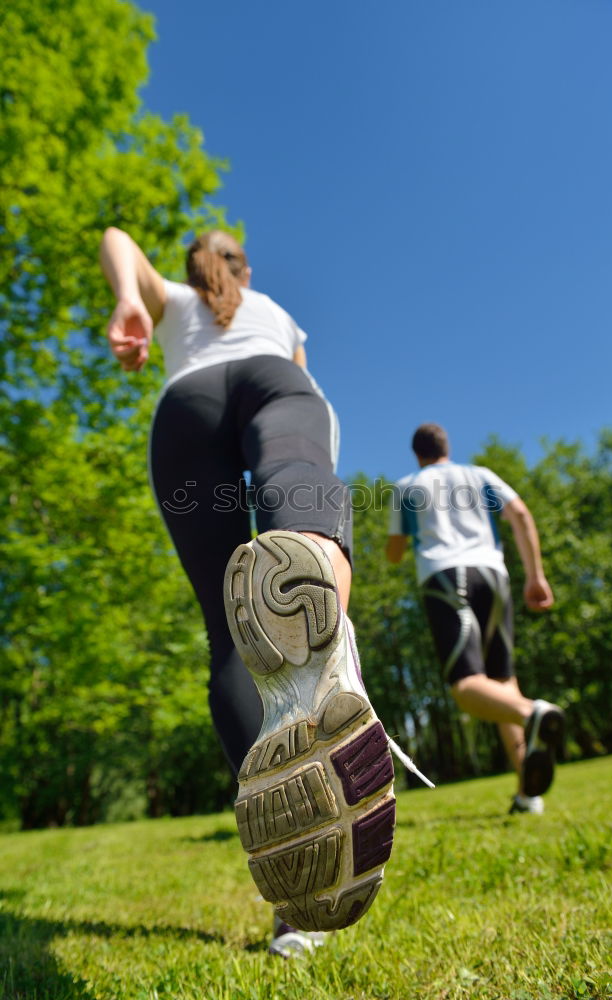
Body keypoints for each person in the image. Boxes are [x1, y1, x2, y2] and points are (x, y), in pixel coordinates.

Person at [100, 226, 395, 953]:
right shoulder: (276, 315)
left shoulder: (169, 301)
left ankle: (292, 869)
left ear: (192, 267)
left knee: (229, 636)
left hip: (185, 405)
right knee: (297, 488)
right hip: (276, 383)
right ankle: (320, 610)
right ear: (245, 267)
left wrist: (126, 305)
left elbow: (114, 236)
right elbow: (306, 390)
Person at [386, 422, 565, 815]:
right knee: (502, 683)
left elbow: (395, 551)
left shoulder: (406, 487)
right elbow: (520, 513)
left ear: (417, 454)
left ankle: (534, 712)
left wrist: (396, 543)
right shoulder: (481, 475)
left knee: (467, 688)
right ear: (446, 447)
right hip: (494, 575)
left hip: (446, 577)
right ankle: (527, 796)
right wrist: (535, 575)